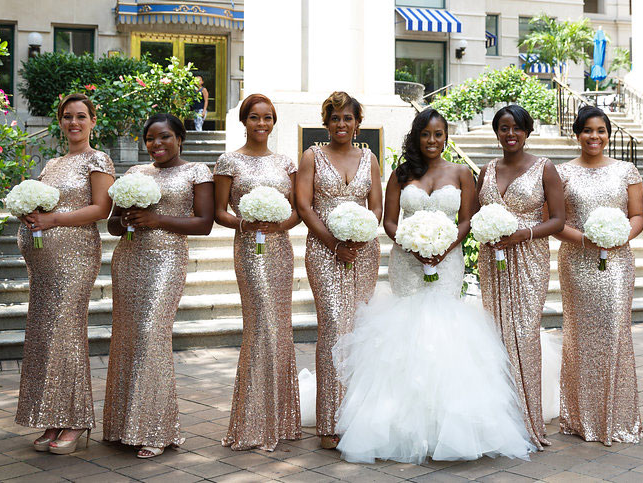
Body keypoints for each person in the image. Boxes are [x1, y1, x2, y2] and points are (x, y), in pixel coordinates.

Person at [331, 108, 535, 463]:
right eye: (425, 134)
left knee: (445, 329)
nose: (432, 141)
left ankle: (448, 429)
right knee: (405, 329)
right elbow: (390, 222)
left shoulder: (460, 173)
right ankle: (400, 428)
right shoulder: (401, 173)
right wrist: (411, 243)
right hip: (406, 263)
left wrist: (443, 248)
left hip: (448, 259)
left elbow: (467, 220)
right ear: (416, 136)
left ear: (446, 137)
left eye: (438, 135)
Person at [103, 114, 214, 458]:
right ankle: (123, 425)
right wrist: (126, 218)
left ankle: (156, 428)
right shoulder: (135, 174)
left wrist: (156, 219)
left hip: (167, 260)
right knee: (127, 337)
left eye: (164, 137)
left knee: (152, 335)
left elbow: (204, 223)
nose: (157, 144)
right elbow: (112, 226)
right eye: (150, 139)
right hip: (128, 259)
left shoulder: (197, 172)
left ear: (180, 138)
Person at [15, 93, 114, 454]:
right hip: (42, 259)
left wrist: (52, 219)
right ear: (59, 121)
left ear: (92, 121)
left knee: (67, 331)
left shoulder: (97, 159)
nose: (74, 122)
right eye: (67, 116)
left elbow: (102, 208)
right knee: (45, 333)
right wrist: (28, 214)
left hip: (76, 254)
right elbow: (43, 201)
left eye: (81, 116)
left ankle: (76, 419)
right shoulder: (53, 162)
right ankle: (54, 416)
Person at [214, 94, 303, 451]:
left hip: (280, 249)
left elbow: (297, 210)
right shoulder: (228, 160)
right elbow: (220, 211)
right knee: (260, 326)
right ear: (244, 121)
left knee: (279, 328)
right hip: (249, 250)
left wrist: (278, 225)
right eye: (254, 118)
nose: (261, 124)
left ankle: (280, 420)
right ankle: (252, 421)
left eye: (267, 118)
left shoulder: (286, 162)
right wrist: (246, 223)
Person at [294, 92, 382, 450]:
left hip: (363, 251)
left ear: (357, 122)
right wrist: (334, 243)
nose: (341, 124)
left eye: (348, 118)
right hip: (323, 250)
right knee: (333, 327)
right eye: (335, 118)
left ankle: (357, 414)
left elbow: (376, 206)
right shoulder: (312, 156)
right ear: (326, 122)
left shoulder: (370, 158)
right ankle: (330, 420)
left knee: (359, 328)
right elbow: (303, 205)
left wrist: (361, 237)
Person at [475, 104, 566, 448]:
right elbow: (474, 216)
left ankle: (529, 423)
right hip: (492, 259)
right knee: (495, 335)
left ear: (527, 132)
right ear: (496, 132)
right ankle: (500, 421)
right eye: (503, 128)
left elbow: (558, 219)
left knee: (524, 335)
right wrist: (487, 233)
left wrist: (522, 234)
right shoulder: (485, 171)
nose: (510, 134)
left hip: (529, 256)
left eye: (516, 128)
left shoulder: (545, 168)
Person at [555, 106, 643, 446]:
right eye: (587, 131)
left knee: (615, 331)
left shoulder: (626, 170)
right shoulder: (561, 172)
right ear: (577, 134)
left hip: (618, 262)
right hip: (576, 261)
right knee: (579, 334)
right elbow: (556, 220)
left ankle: (617, 416)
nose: (594, 137)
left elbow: (636, 214)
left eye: (601, 130)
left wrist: (620, 236)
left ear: (608, 134)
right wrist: (585, 239)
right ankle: (580, 417)